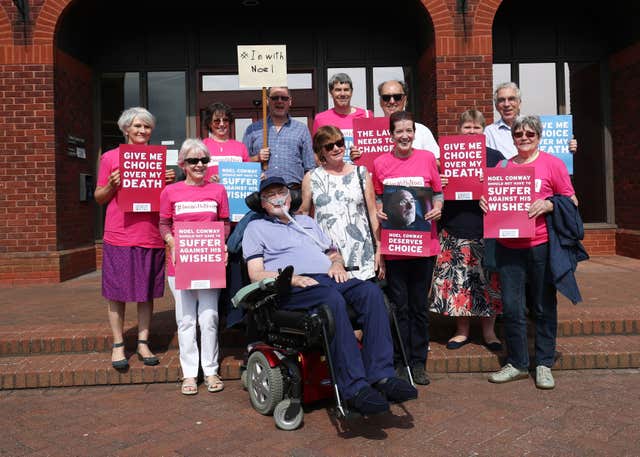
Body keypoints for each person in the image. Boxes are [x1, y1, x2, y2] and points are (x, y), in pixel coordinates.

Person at [242, 176, 418, 415]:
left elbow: (332, 252)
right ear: (262, 203)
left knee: (371, 292)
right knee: (330, 300)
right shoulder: (256, 227)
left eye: (280, 192)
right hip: (291, 286)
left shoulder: (305, 221)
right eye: (270, 195)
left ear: (289, 195)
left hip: (328, 278)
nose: (277, 198)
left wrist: (337, 264)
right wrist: (291, 278)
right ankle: (354, 388)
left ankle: (381, 376)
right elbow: (255, 274)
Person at [480, 115, 578, 390]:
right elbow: (492, 200)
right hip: (509, 248)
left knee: (543, 305)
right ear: (512, 138)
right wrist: (485, 202)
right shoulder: (502, 166)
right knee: (511, 307)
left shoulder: (553, 164)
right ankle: (518, 363)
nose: (523, 138)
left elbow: (571, 200)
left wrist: (548, 204)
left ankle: (544, 363)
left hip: (540, 246)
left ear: (539, 136)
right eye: (518, 134)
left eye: (529, 134)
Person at [95, 107, 174, 370]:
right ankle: (118, 344)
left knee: (146, 292)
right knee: (116, 292)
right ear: (126, 128)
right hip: (119, 233)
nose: (142, 131)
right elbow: (99, 197)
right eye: (137, 126)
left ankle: (142, 342)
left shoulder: (158, 160)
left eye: (147, 127)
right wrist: (111, 186)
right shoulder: (109, 158)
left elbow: (167, 200)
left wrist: (169, 182)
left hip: (150, 234)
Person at [372, 111, 443, 385]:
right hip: (396, 246)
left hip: (424, 244)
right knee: (399, 306)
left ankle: (418, 362)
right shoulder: (380, 163)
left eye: (409, 131)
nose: (404, 136)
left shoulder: (426, 159)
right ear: (391, 134)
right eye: (399, 131)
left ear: (415, 133)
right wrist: (379, 210)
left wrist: (438, 208)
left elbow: (437, 192)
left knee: (419, 307)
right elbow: (378, 196)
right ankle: (400, 362)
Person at [160, 138, 230, 395]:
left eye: (203, 160)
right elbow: (164, 223)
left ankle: (210, 370)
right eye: (193, 160)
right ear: (182, 164)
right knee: (186, 320)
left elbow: (224, 222)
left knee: (209, 317)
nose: (199, 164)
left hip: (208, 261)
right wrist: (171, 241)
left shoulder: (218, 191)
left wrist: (221, 243)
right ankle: (190, 373)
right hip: (180, 265)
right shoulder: (170, 191)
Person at [429, 109, 504, 351]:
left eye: (476, 127)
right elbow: (430, 193)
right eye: (467, 127)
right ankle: (461, 331)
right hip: (454, 228)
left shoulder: (495, 157)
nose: (471, 132)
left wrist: (491, 195)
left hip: (486, 231)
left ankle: (489, 333)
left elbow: (508, 191)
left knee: (488, 284)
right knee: (459, 284)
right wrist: (440, 185)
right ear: (458, 130)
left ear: (484, 131)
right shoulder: (445, 159)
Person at [300, 126, 382, 282]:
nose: (336, 148)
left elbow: (372, 213)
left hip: (361, 252)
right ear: (321, 151)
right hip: (327, 253)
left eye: (339, 143)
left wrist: (379, 248)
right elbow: (304, 215)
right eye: (330, 146)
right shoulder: (311, 177)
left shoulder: (361, 173)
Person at [243, 86, 315, 185]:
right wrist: (257, 158)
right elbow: (242, 165)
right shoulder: (253, 129)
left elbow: (310, 168)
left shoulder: (302, 129)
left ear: (290, 101)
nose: (279, 101)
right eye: (275, 98)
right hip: (262, 191)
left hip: (293, 191)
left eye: (284, 98)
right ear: (267, 101)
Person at [485, 82, 577, 159]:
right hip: (506, 179)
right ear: (496, 106)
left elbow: (554, 152)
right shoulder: (488, 133)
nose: (506, 104)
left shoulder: (537, 126)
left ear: (519, 103)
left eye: (511, 99)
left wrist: (567, 147)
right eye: (501, 100)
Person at [312, 73, 373, 163]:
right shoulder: (320, 119)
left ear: (351, 92)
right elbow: (316, 153)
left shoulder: (367, 115)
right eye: (338, 90)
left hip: (359, 172)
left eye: (346, 90)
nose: (342, 94)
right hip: (332, 173)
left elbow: (374, 148)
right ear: (331, 93)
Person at [201, 102, 251, 183]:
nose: (221, 124)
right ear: (209, 123)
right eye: (217, 121)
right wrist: (207, 181)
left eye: (225, 120)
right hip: (208, 193)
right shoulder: (202, 146)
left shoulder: (241, 147)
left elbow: (248, 174)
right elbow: (193, 174)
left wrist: (259, 176)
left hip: (235, 194)